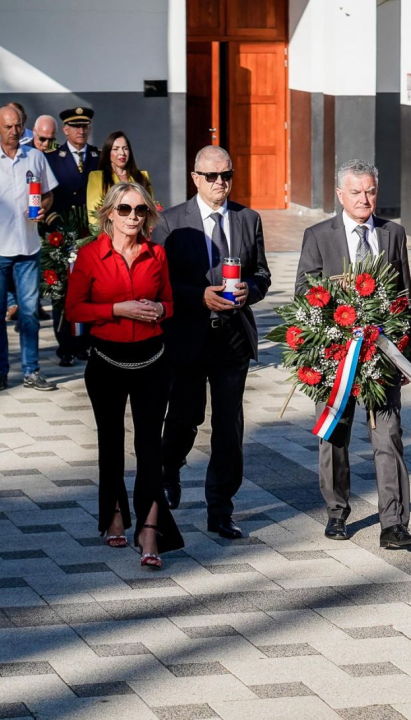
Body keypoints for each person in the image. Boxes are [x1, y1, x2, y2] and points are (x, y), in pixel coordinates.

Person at [295, 160, 411, 549]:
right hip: (336, 355)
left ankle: (394, 523)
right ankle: (337, 510)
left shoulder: (392, 233)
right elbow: (304, 292)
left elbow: (405, 299)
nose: (364, 199)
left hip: (382, 355)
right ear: (340, 195)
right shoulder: (318, 235)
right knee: (335, 434)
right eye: (356, 192)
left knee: (389, 436)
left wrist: (406, 357)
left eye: (370, 191)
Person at [155, 145, 271, 540]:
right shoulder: (170, 223)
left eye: (226, 175)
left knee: (227, 427)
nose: (220, 183)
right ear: (195, 178)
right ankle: (168, 467)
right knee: (185, 418)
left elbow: (261, 275)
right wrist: (198, 295)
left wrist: (249, 292)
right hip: (187, 338)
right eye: (211, 176)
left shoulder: (248, 218)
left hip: (232, 339)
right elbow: (162, 284)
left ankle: (220, 508)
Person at [66, 181, 183, 569]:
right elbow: (75, 310)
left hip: (152, 360)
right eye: (125, 210)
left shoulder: (158, 255)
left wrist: (160, 312)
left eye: (140, 211)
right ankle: (113, 513)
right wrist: (119, 308)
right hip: (106, 362)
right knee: (111, 441)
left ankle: (149, 528)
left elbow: (169, 301)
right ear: (109, 214)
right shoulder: (89, 256)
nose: (133, 216)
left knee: (150, 446)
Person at [0, 105, 58, 392]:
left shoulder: (36, 157)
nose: (14, 132)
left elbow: (49, 194)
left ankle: (31, 370)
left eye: (18, 126)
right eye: (8, 127)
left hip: (28, 247)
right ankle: (0, 370)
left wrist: (43, 208)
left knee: (29, 312)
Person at [44, 107, 98, 366]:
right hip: (59, 234)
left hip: (89, 236)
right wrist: (55, 225)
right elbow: (44, 197)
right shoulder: (52, 158)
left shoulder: (98, 157)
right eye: (75, 126)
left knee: (90, 290)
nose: (81, 130)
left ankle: (84, 344)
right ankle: (65, 344)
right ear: (64, 129)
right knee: (61, 290)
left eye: (85, 126)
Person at [87, 131, 154, 228]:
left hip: (140, 232)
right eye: (115, 149)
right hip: (110, 235)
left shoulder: (142, 176)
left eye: (125, 149)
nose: (122, 153)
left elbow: (151, 209)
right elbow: (94, 216)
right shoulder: (97, 177)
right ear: (108, 153)